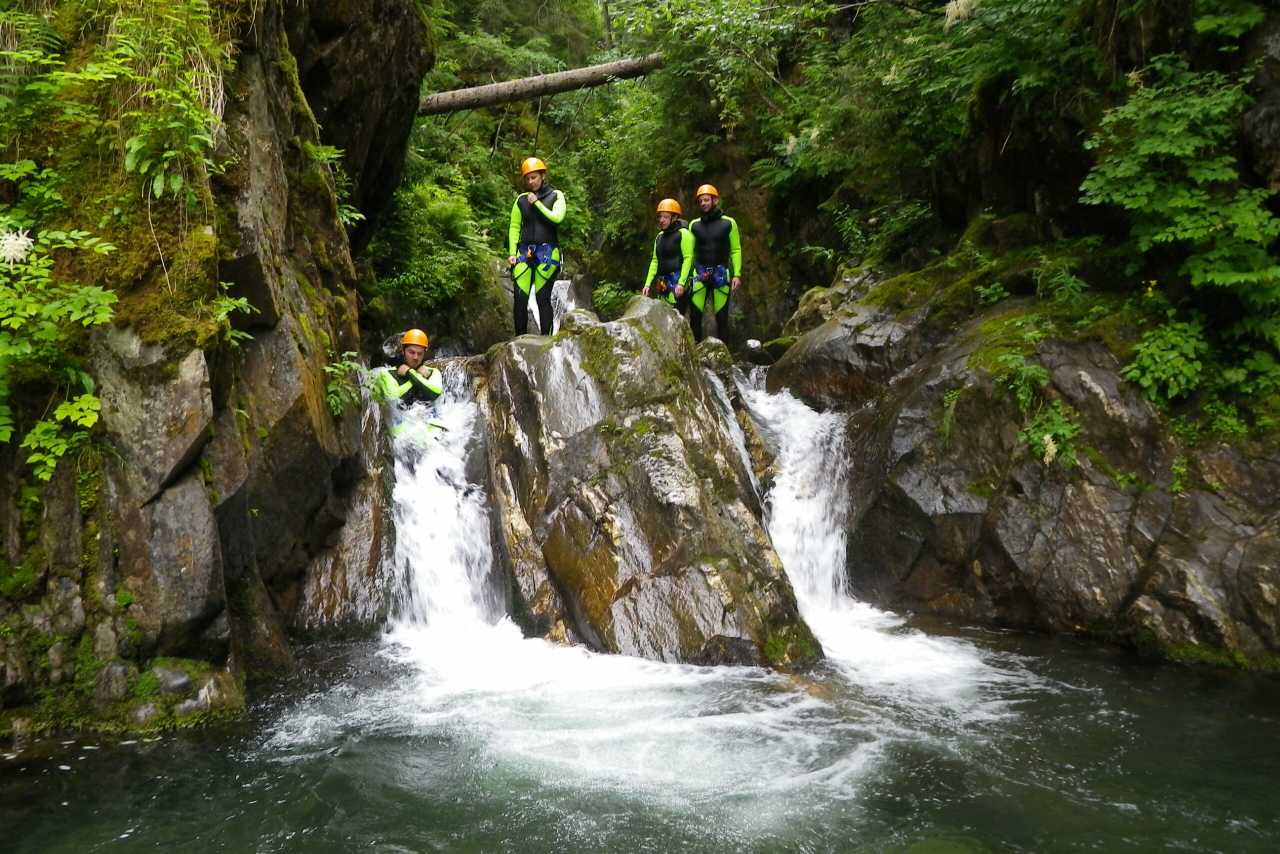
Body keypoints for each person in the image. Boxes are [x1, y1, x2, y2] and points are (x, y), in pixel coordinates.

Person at [507, 156, 566, 336]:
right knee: (520, 297)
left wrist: (537, 204)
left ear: (542, 176)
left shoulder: (556, 195)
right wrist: (512, 253)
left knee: (542, 298)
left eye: (534, 177)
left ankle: (546, 341)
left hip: (548, 251)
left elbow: (557, 218)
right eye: (528, 178)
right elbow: (514, 227)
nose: (531, 181)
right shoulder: (521, 200)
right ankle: (520, 341)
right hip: (525, 252)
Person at [688, 183, 742, 342]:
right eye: (701, 201)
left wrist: (737, 274)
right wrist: (684, 279)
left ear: (715, 200)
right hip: (699, 274)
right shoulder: (694, 225)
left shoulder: (729, 223)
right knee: (695, 317)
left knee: (722, 318)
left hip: (721, 274)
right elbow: (689, 254)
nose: (703, 203)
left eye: (706, 200)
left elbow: (736, 250)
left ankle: (725, 362)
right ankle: (695, 356)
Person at [642, 198, 694, 319]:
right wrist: (647, 284)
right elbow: (655, 261)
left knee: (676, 319)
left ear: (674, 217)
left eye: (665, 217)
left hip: (677, 283)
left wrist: (681, 283)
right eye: (660, 217)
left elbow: (688, 259)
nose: (661, 220)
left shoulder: (684, 234)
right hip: (662, 284)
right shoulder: (659, 237)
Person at [371, 328, 443, 407]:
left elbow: (435, 393)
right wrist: (411, 373)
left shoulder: (433, 372)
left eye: (420, 354)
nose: (415, 357)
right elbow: (393, 399)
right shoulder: (387, 374)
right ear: (403, 350)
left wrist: (411, 373)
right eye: (411, 352)